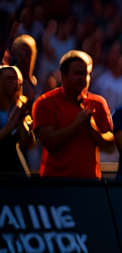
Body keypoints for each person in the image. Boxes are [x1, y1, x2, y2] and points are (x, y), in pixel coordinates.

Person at [31, 50, 116, 179]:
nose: (83, 78)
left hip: (89, 184)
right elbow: (49, 143)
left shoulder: (98, 103)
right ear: (63, 76)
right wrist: (77, 124)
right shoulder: (45, 103)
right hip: (55, 183)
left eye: (86, 74)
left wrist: (92, 128)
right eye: (78, 73)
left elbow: (110, 146)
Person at [0, 64, 35, 176]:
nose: (16, 83)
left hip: (15, 173)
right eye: (10, 79)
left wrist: (23, 126)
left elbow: (28, 144)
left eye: (18, 80)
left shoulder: (18, 109)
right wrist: (12, 124)